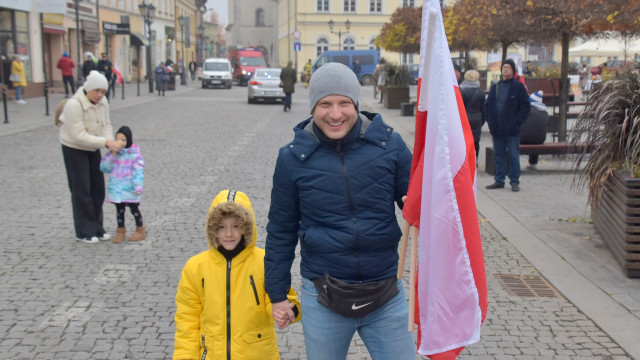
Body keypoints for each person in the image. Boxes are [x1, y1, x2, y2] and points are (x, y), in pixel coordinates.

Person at [264, 62, 415, 360]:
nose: (335, 114)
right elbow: (280, 231)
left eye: (344, 103)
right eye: (325, 104)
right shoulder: (292, 159)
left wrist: (419, 203)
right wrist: (278, 295)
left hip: (385, 292)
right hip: (323, 297)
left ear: (356, 104)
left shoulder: (390, 145)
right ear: (312, 108)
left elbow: (417, 205)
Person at [173, 189, 300, 360]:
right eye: (221, 227)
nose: (228, 234)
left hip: (258, 354)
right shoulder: (196, 267)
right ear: (212, 229)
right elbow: (187, 320)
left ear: (247, 227)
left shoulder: (265, 261)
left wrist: (287, 311)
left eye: (236, 226)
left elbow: (281, 298)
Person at [59, 70, 121, 244]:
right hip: (74, 148)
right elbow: (78, 135)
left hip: (93, 146)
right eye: (97, 91)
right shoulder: (74, 104)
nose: (100, 95)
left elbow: (106, 124)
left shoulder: (103, 102)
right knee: (82, 190)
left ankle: (97, 227)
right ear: (88, 89)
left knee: (97, 188)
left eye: (103, 91)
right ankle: (84, 230)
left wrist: (110, 141)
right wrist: (105, 142)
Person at [485, 59, 531, 192]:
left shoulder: (518, 87)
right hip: (497, 129)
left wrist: (517, 122)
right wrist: (490, 121)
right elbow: (488, 105)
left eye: (508, 68)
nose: (505, 69)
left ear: (513, 70)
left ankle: (514, 181)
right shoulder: (496, 86)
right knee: (498, 155)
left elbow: (525, 107)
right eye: (504, 67)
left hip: (512, 129)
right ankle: (499, 180)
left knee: (513, 155)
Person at [100, 126, 146, 243]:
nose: (121, 143)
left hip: (130, 189)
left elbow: (138, 172)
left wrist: (138, 186)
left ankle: (140, 230)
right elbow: (104, 168)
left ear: (129, 140)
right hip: (117, 189)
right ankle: (120, 232)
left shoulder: (135, 155)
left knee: (134, 210)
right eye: (118, 140)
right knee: (119, 211)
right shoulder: (114, 154)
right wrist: (112, 155)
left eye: (123, 140)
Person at [460, 69, 486, 160]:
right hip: (477, 120)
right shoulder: (480, 92)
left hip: (465, 120)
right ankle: (475, 160)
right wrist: (481, 121)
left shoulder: (462, 91)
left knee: (465, 141)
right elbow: (484, 109)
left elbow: (460, 108)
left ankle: (465, 160)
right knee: (475, 142)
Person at [520, 91, 549, 170]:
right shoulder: (545, 113)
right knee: (536, 136)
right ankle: (533, 163)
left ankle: (512, 163)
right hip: (540, 140)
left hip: (523, 139)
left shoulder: (526, 111)